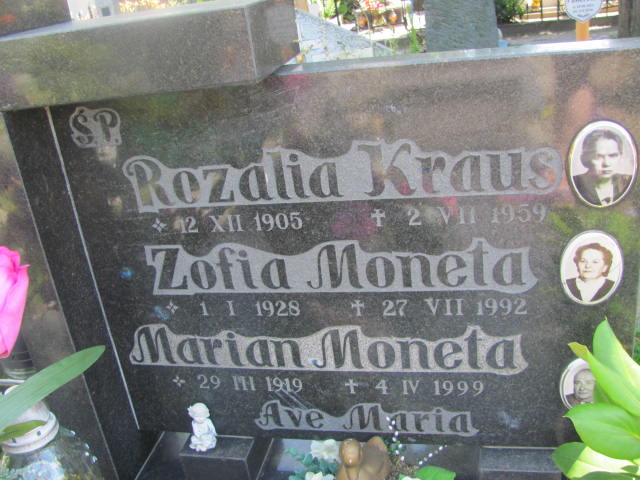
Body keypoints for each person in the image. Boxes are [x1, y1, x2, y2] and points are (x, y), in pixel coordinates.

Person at [572, 129, 632, 206]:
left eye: (613, 156)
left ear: (620, 156)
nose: (606, 163)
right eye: (598, 157)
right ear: (585, 158)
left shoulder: (627, 182)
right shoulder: (576, 184)